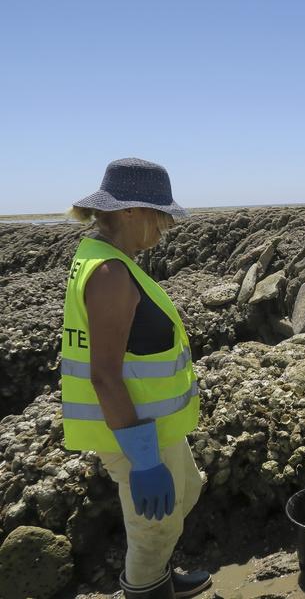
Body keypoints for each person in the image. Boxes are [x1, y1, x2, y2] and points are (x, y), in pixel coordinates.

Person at [62, 158, 210, 599]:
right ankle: (146, 589)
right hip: (135, 430)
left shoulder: (109, 258)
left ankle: (158, 576)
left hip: (155, 423)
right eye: (159, 214)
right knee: (153, 529)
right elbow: (104, 375)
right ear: (129, 211)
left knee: (187, 493)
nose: (166, 226)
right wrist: (144, 460)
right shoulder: (109, 274)